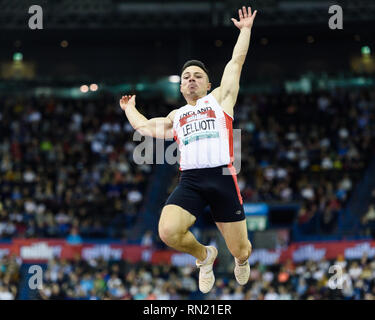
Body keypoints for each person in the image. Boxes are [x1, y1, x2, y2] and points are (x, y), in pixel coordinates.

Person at [119, 6, 257, 293]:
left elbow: (236, 63)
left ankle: (240, 262)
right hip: (191, 180)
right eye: (186, 77)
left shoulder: (220, 100)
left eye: (197, 76)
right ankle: (204, 256)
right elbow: (145, 128)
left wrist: (244, 31)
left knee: (241, 249)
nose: (191, 79)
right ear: (181, 87)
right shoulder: (175, 116)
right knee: (167, 231)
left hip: (222, 177)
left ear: (208, 84)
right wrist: (129, 109)